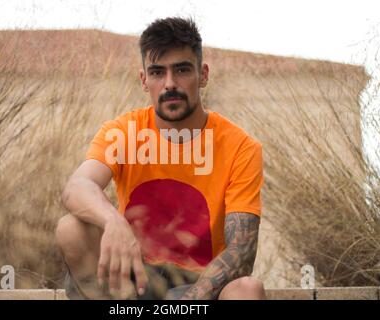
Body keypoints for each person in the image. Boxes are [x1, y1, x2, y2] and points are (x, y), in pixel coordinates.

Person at [56, 17, 266, 300]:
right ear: (144, 80)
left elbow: (242, 252)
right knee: (71, 228)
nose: (170, 84)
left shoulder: (240, 146)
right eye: (157, 72)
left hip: (198, 287)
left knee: (248, 290)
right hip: (130, 283)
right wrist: (112, 221)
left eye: (181, 70)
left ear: (203, 74)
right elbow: (77, 187)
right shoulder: (123, 132)